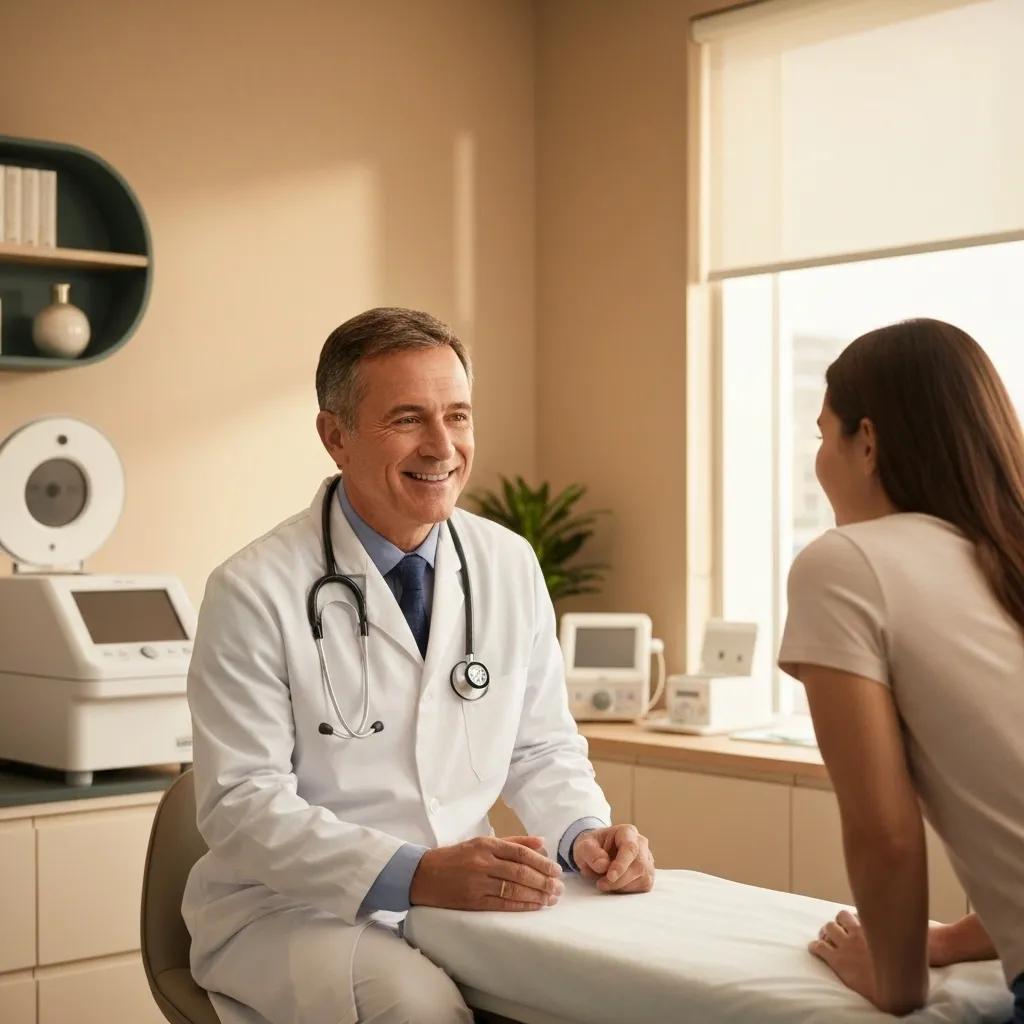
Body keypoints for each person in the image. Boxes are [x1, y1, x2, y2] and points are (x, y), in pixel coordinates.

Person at [182, 307, 655, 1024]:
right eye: (407, 419)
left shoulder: (507, 563)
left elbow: (541, 746)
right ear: (334, 437)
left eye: (458, 416)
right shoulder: (253, 589)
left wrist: (582, 834)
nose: (443, 447)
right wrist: (417, 873)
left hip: (464, 897)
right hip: (293, 912)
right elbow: (241, 806)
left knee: (605, 988)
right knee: (420, 1010)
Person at [778, 318, 1024, 1020]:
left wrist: (896, 985)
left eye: (822, 436)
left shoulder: (846, 565)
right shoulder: (1006, 556)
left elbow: (884, 831)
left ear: (868, 441)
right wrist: (952, 940)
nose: (819, 463)